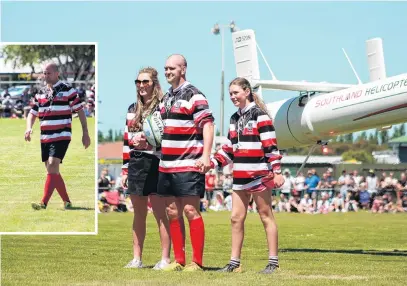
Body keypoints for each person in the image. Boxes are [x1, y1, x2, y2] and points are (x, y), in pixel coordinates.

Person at [209, 77, 284, 274]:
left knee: (265, 215)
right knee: (235, 218)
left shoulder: (261, 116)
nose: (233, 96)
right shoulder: (234, 119)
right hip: (239, 176)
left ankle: (273, 263)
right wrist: (212, 163)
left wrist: (276, 171)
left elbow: (271, 146)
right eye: (230, 94)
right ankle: (234, 263)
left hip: (259, 174)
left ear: (247, 91)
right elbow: (229, 149)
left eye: (236, 92)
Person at [157, 54, 214, 271]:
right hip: (166, 164)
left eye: (172, 68)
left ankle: (196, 262)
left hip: (189, 164)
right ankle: (179, 260)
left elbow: (207, 125)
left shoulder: (195, 95)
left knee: (191, 210)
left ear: (183, 69)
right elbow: (163, 129)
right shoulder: (166, 98)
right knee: (172, 211)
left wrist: (206, 155)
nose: (167, 72)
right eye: (165, 68)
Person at [121, 67, 173, 270]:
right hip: (136, 164)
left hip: (157, 163)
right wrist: (125, 168)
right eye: (138, 82)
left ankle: (165, 259)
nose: (141, 85)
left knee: (160, 213)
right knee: (138, 214)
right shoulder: (132, 109)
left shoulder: (162, 107)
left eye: (146, 82)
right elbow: (126, 142)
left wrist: (149, 143)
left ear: (154, 84)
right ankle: (137, 259)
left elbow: (168, 137)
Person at [25, 62, 90, 210]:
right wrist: (28, 128)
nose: (45, 76)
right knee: (52, 172)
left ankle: (43, 203)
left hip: (62, 135)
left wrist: (85, 132)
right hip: (45, 137)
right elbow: (32, 113)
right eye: (44, 73)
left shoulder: (68, 90)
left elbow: (80, 111)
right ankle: (67, 202)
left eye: (48, 73)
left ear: (56, 73)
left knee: (53, 164)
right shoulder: (40, 93)